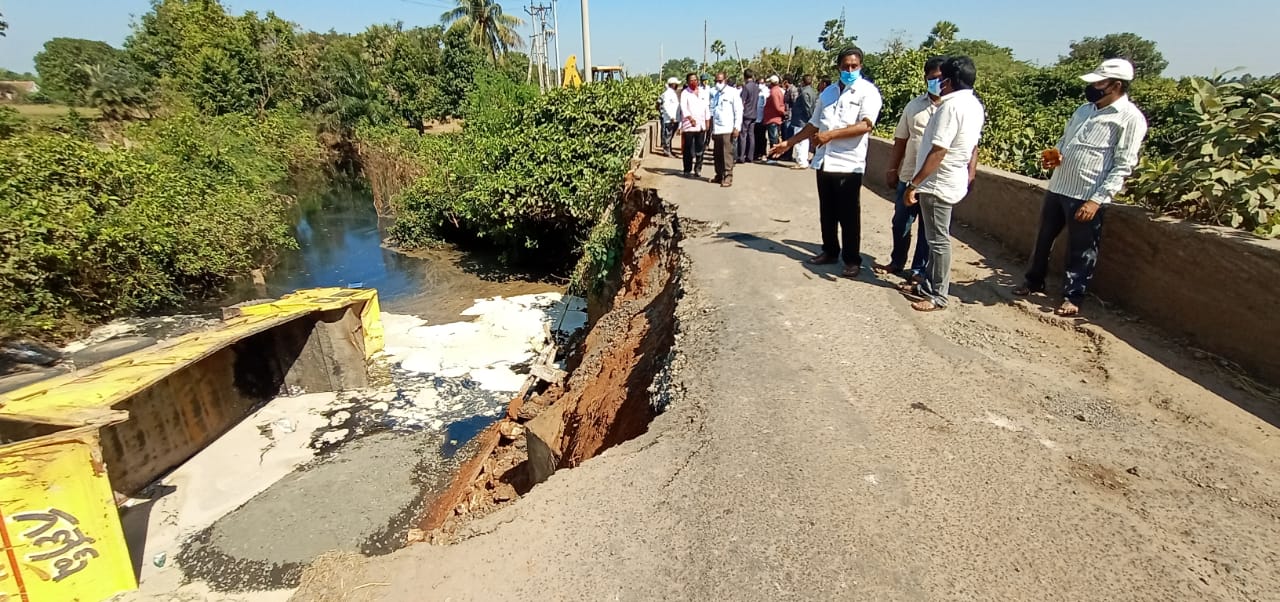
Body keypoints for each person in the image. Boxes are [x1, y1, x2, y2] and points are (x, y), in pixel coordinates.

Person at [1014, 58, 1148, 317]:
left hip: (1087, 193)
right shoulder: (1084, 110)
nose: (1094, 87)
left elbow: (1123, 164)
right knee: (1043, 239)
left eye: (1099, 82)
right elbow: (1065, 141)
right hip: (1059, 186)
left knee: (1082, 248)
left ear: (1116, 85)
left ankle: (1072, 295)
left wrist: (1097, 200)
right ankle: (1033, 281)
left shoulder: (1129, 118)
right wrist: (1057, 156)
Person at [769, 47, 883, 278]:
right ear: (838, 67)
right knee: (827, 212)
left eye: (854, 66)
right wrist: (788, 143)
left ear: (860, 66)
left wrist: (830, 135)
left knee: (849, 215)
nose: (850, 70)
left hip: (849, 163)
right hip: (825, 161)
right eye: (846, 66)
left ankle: (852, 260)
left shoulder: (867, 92)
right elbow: (814, 124)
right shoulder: (828, 93)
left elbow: (866, 125)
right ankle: (830, 250)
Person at [901, 56, 985, 312]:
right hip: (950, 179)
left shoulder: (950, 107)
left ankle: (938, 294)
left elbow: (938, 151)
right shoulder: (973, 104)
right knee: (936, 237)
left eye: (940, 79)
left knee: (938, 240)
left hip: (937, 182)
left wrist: (913, 184)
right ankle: (928, 285)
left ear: (947, 81)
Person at [873, 56, 946, 279]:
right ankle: (897, 261)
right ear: (925, 78)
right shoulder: (914, 106)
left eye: (942, 79)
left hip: (933, 180)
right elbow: (901, 141)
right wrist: (891, 169)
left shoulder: (951, 108)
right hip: (908, 175)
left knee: (927, 230)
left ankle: (918, 271)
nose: (938, 83)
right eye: (933, 78)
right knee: (900, 222)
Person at [709, 71, 743, 187]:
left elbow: (738, 110)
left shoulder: (732, 92)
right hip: (717, 128)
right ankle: (719, 175)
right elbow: (713, 111)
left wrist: (737, 127)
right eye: (716, 81)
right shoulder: (715, 93)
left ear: (725, 80)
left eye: (720, 81)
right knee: (717, 154)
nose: (718, 83)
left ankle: (728, 176)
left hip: (728, 128)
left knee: (727, 154)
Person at [678, 72, 711, 177]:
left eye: (695, 80)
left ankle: (698, 168)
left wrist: (707, 121)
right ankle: (687, 169)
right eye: (691, 80)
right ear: (687, 82)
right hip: (689, 125)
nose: (694, 82)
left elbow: (706, 107)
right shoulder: (685, 93)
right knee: (688, 149)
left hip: (701, 125)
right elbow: (683, 107)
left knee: (699, 149)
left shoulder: (703, 92)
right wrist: (690, 118)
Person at [789, 74, 818, 170]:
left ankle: (801, 162)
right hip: (804, 120)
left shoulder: (804, 93)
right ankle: (803, 161)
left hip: (801, 120)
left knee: (799, 142)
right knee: (804, 142)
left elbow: (808, 107)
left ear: (803, 82)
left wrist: (811, 119)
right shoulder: (813, 92)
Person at [762, 75, 787, 163]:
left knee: (773, 138)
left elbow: (777, 106)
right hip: (774, 118)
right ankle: (773, 156)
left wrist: (783, 113)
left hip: (773, 118)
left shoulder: (774, 92)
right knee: (774, 137)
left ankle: (773, 157)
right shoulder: (778, 91)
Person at [737, 69, 760, 163]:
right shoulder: (756, 87)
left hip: (746, 113)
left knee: (743, 135)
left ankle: (741, 156)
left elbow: (742, 101)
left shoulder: (746, 87)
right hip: (754, 113)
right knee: (751, 135)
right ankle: (750, 156)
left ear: (745, 77)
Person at [659, 77, 680, 157]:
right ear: (673, 85)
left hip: (673, 119)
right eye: (677, 84)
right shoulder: (667, 94)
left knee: (670, 136)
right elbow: (666, 106)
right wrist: (671, 117)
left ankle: (669, 150)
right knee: (667, 136)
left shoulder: (672, 93)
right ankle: (667, 151)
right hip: (669, 119)